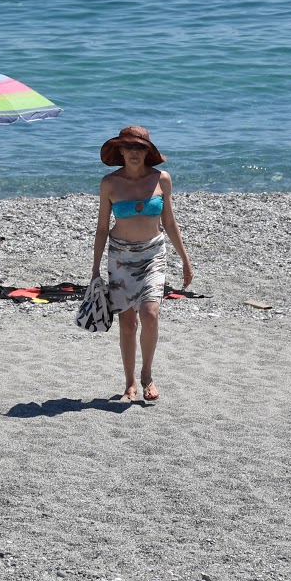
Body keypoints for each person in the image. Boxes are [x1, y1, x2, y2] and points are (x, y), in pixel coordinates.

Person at [90, 125, 193, 403]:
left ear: (147, 152)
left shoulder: (162, 179)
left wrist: (185, 259)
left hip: (152, 255)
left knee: (149, 314)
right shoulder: (109, 183)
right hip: (120, 256)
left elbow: (169, 222)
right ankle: (130, 384)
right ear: (120, 151)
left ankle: (147, 374)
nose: (134, 153)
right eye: (129, 148)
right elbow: (101, 228)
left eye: (140, 148)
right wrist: (95, 268)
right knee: (127, 323)